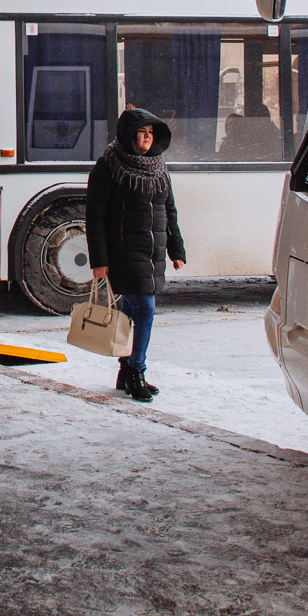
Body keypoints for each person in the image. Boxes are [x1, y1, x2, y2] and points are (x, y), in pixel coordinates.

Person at [86, 108, 188, 403]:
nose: (147, 138)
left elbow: (169, 211)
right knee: (145, 309)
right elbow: (95, 216)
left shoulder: (158, 166)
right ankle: (136, 371)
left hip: (151, 253)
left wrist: (176, 249)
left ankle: (124, 369)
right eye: (142, 132)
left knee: (131, 310)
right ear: (129, 135)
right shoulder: (108, 166)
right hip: (123, 253)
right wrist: (100, 260)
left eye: (151, 133)